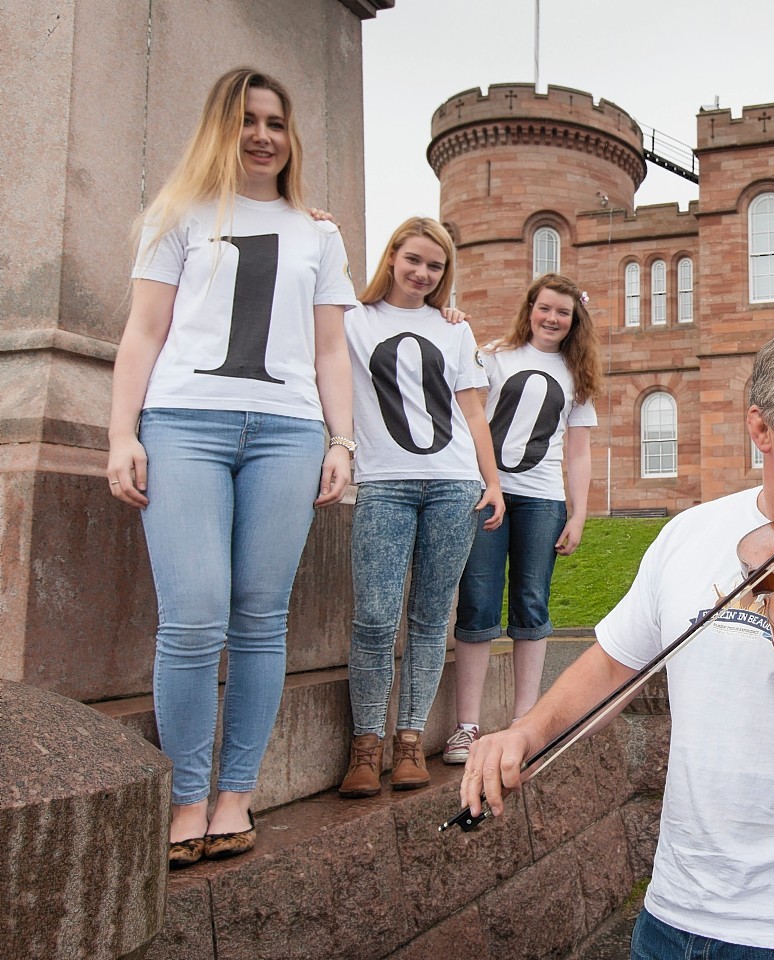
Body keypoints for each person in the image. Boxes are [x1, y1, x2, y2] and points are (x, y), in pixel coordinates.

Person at [462, 319, 774, 958]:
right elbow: (616, 662)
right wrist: (525, 734)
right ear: (761, 428)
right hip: (674, 914)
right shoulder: (691, 534)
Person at [106, 67, 357, 868]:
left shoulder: (319, 233)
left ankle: (235, 795)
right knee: (193, 616)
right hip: (183, 423)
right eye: (248, 120)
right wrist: (123, 435)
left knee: (259, 616)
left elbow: (328, 350)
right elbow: (143, 332)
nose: (262, 136)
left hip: (287, 433)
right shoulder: (176, 215)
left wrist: (341, 443)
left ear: (291, 137)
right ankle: (185, 798)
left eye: (276, 122)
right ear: (223, 127)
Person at [335, 217, 503, 799]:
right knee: (376, 618)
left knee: (432, 618)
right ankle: (365, 746)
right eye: (413, 260)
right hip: (383, 482)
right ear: (392, 256)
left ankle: (408, 743)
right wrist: (323, 227)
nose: (422, 273)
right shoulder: (353, 321)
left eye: (434, 266)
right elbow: (315, 294)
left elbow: (474, 412)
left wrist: (493, 481)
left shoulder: (454, 329)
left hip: (453, 484)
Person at [442, 273, 600, 765]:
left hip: (542, 501)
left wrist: (578, 514)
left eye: (563, 313)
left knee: (531, 603)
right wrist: (450, 320)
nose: (552, 319)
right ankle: (466, 726)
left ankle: (525, 719)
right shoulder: (495, 356)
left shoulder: (579, 375)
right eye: (545, 308)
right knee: (478, 603)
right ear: (530, 308)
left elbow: (578, 453)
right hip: (491, 494)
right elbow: (463, 405)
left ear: (574, 322)